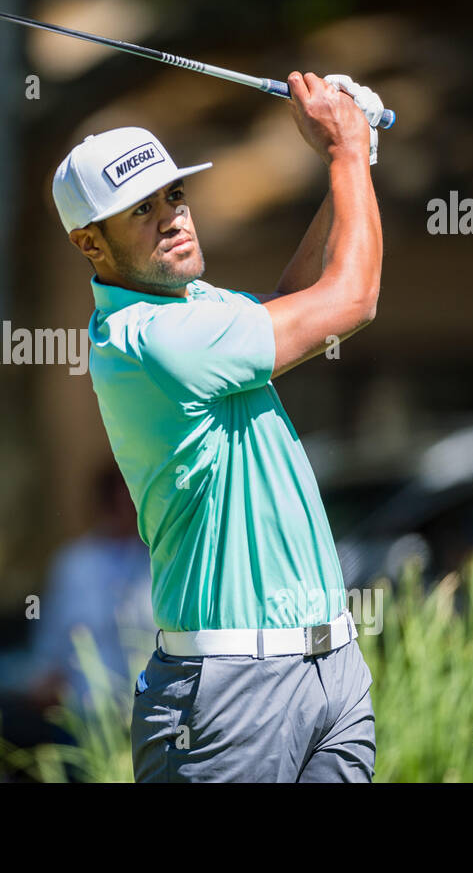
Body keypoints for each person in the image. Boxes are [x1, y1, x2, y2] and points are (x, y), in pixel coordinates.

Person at [50, 72, 385, 782]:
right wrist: (349, 149)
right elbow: (351, 299)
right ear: (90, 243)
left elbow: (291, 305)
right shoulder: (153, 338)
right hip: (230, 692)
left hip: (332, 670)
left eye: (175, 194)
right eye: (142, 210)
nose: (173, 217)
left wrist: (344, 169)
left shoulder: (194, 309)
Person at [26, 465, 153, 712]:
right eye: (119, 502)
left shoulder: (158, 561)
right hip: (86, 705)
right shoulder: (74, 562)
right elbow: (51, 633)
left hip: (148, 704)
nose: (126, 510)